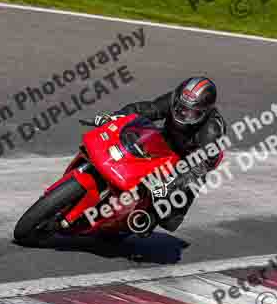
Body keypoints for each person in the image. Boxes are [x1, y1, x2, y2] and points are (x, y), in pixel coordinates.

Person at [95, 76, 227, 234]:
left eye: (190, 112)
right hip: (166, 142)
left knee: (168, 216)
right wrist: (116, 116)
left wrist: (170, 186)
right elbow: (149, 108)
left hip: (190, 162)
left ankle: (146, 217)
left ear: (204, 112)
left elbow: (200, 168)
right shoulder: (174, 99)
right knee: (132, 138)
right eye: (180, 107)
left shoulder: (212, 131)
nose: (182, 113)